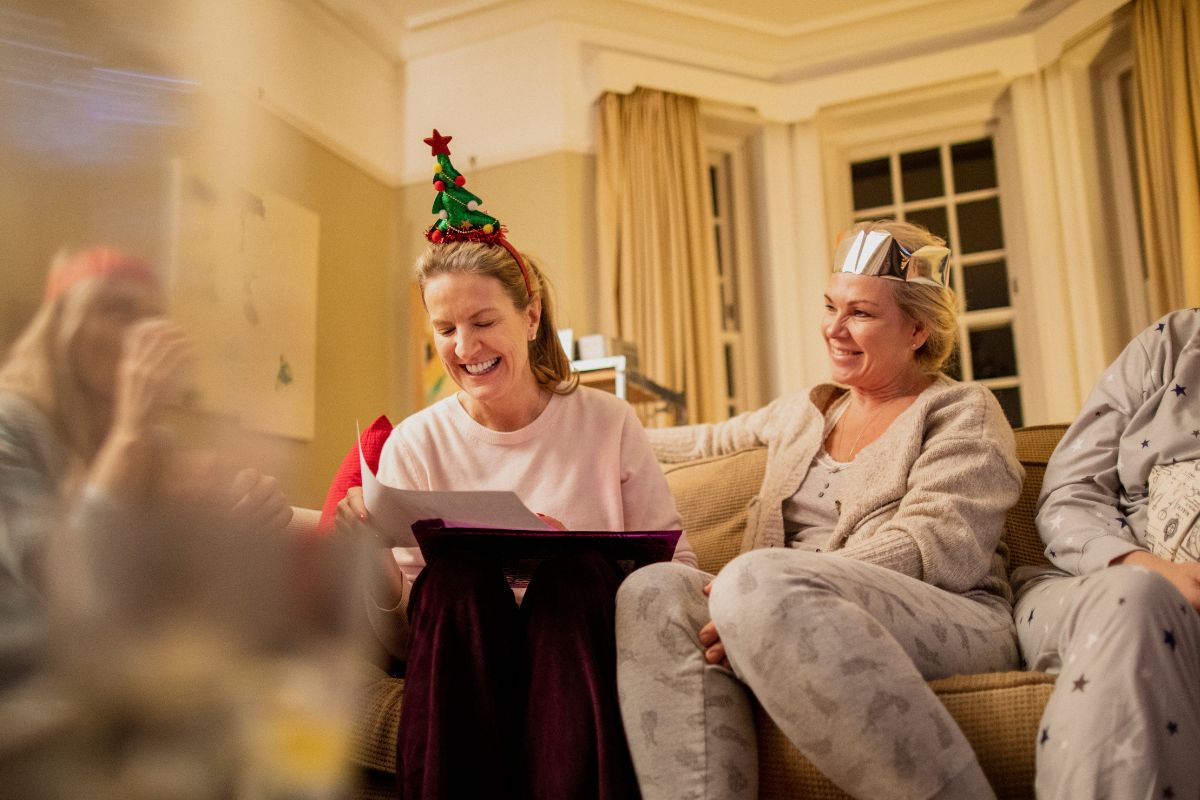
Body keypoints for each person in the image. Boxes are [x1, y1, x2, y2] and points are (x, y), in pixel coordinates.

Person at [337, 131, 696, 800]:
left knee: (574, 574)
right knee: (456, 578)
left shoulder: (606, 422)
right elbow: (411, 642)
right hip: (467, 655)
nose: (464, 347)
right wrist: (374, 557)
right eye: (445, 330)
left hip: (580, 645)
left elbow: (676, 571)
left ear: (529, 317)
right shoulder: (415, 443)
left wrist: (578, 557)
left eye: (483, 321)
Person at [615, 219, 1024, 800]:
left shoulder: (962, 411)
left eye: (860, 313)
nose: (834, 328)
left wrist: (770, 601)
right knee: (653, 589)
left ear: (916, 329)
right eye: (830, 306)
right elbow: (698, 443)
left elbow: (938, 546)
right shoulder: (806, 411)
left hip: (951, 614)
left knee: (757, 581)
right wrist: (575, 418)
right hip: (770, 599)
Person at [0, 246, 293, 695]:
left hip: (129, 675)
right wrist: (131, 432)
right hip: (33, 687)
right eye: (116, 309)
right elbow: (61, 580)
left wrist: (239, 517)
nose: (139, 333)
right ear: (63, 323)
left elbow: (171, 589)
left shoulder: (156, 445)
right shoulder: (12, 423)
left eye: (151, 317)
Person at [1012, 308, 1200, 799]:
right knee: (1137, 599)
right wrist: (1155, 572)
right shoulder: (1174, 343)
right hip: (1108, 583)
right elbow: (1069, 495)